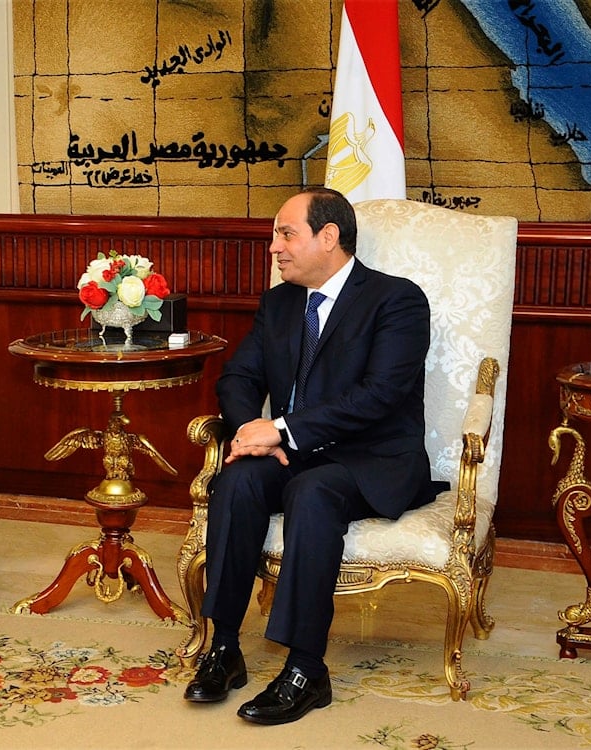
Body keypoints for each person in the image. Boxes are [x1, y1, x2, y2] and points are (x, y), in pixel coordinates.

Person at [183, 187, 441, 724]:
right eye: (275, 235)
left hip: (370, 458)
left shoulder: (396, 300)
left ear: (329, 237)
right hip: (291, 450)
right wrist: (250, 433)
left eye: (285, 233)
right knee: (237, 481)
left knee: (313, 490)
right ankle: (225, 647)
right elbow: (238, 377)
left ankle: (306, 668)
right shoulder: (279, 302)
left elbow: (380, 395)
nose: (273, 247)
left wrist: (279, 429)